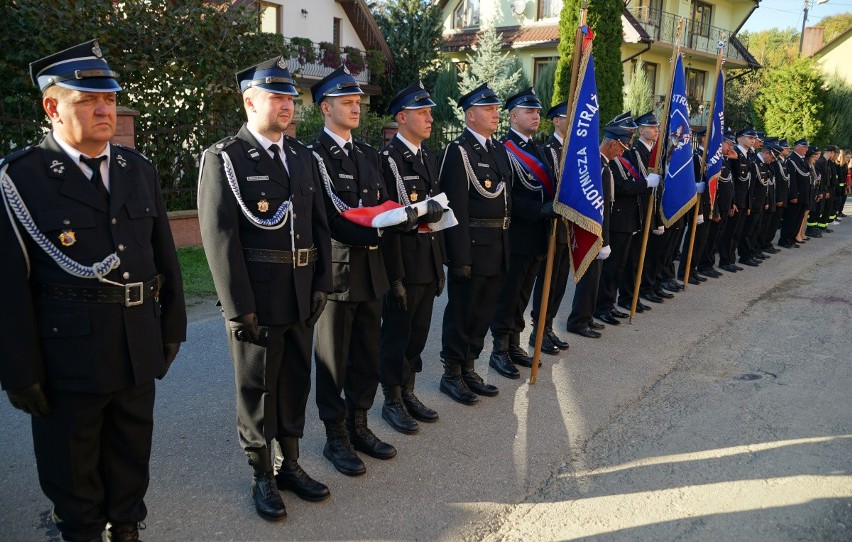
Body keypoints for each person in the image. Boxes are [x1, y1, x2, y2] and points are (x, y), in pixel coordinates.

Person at [0, 40, 186, 542]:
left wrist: (171, 328)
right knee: (72, 462)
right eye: (86, 99)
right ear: (52, 107)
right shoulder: (21, 179)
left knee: (131, 449)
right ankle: (80, 532)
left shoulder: (136, 168)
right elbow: (8, 289)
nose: (104, 108)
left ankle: (126, 526)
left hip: (134, 341)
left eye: (108, 97)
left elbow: (163, 257)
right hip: (69, 354)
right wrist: (19, 371)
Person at [197, 56, 332, 521]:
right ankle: (261, 474)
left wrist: (322, 282)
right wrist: (239, 310)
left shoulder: (300, 156)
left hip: (299, 290)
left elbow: (319, 226)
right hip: (258, 296)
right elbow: (220, 240)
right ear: (249, 101)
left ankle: (290, 463)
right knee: (257, 389)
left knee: (295, 381)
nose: (287, 106)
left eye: (290, 98)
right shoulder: (225, 159)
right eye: (277, 97)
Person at [308, 67, 418, 475]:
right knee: (333, 360)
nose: (356, 108)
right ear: (326, 107)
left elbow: (385, 209)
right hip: (337, 275)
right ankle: (335, 435)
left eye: (358, 103)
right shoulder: (313, 156)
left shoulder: (368, 155)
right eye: (347, 103)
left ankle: (359, 423)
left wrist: (407, 217)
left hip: (371, 272)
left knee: (366, 355)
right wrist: (381, 222)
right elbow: (328, 219)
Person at [378, 81, 447, 434]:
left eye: (430, 112)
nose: (429, 118)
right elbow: (388, 223)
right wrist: (394, 279)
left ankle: (408, 391)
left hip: (427, 257)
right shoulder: (388, 161)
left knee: (418, 334)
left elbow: (438, 214)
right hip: (403, 261)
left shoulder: (427, 157)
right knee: (397, 334)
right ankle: (392, 398)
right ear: (401, 118)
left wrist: (440, 264)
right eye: (422, 113)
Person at [439, 82, 511, 404]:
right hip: (472, 246)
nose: (496, 113)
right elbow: (456, 207)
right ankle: (452, 372)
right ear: (470, 116)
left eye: (496, 109)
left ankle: (469, 365)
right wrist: (460, 257)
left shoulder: (497, 150)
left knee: (483, 312)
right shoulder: (459, 151)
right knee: (462, 311)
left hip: (497, 245)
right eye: (488, 109)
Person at [489, 87, 556, 379]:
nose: (536, 116)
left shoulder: (537, 148)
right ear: (513, 116)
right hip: (516, 236)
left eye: (538, 112)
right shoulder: (504, 149)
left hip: (537, 237)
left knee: (523, 295)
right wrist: (539, 210)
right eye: (530, 112)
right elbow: (506, 196)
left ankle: (515, 344)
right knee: (508, 295)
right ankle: (499, 350)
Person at [564, 115, 625, 338]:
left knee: (595, 278)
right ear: (612, 144)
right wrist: (604, 240)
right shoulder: (596, 166)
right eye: (621, 147)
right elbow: (600, 210)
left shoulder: (603, 165)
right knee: (588, 280)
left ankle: (587, 316)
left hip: (598, 232)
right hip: (592, 231)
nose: (622, 152)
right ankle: (578, 321)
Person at [594, 112, 652, 325]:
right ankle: (601, 307)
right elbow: (620, 187)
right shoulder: (610, 160)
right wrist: (646, 185)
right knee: (610, 268)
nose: (625, 147)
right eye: (624, 141)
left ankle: (609, 304)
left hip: (627, 220)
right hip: (617, 220)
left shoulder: (622, 158)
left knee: (618, 267)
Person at [529, 101, 571, 354]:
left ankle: (549, 327)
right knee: (547, 280)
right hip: (552, 226)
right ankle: (538, 330)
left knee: (560, 282)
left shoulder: (573, 149)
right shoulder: (548, 150)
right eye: (568, 116)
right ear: (556, 120)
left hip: (569, 227)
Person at [620, 111, 662, 310]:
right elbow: (631, 184)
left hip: (651, 211)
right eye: (652, 127)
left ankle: (639, 292)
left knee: (646, 256)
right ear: (641, 130)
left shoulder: (657, 151)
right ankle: (628, 297)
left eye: (656, 127)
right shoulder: (632, 153)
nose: (656, 130)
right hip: (638, 211)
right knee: (633, 259)